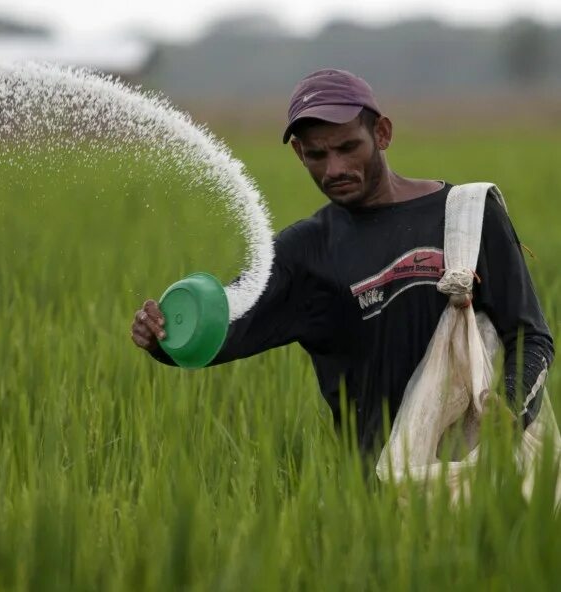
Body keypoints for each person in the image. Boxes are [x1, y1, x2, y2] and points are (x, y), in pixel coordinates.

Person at [130, 68, 554, 451]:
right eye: (316, 155)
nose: (334, 169)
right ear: (299, 153)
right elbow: (226, 328)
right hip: (380, 491)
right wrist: (163, 337)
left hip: (478, 468)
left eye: (349, 147)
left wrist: (507, 413)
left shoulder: (467, 214)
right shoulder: (307, 252)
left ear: (382, 134)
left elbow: (529, 335)